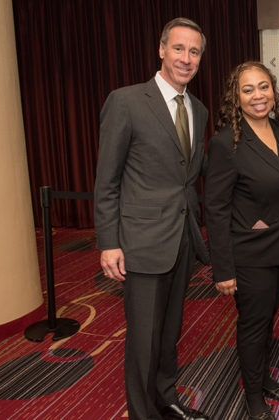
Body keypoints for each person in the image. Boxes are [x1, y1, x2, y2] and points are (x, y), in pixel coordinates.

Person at [94, 18, 210, 420]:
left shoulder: (198, 108)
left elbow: (185, 177)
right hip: (140, 244)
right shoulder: (126, 101)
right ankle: (142, 413)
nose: (186, 58)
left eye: (194, 52)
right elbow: (106, 180)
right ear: (161, 50)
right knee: (142, 340)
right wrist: (109, 242)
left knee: (169, 333)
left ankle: (167, 398)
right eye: (179, 48)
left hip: (181, 240)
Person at [204, 61, 279, 420]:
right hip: (249, 253)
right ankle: (253, 397)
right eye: (247, 90)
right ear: (236, 97)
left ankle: (262, 378)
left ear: (273, 91)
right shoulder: (225, 143)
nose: (257, 96)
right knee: (253, 323)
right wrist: (223, 270)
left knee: (266, 319)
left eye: (263, 87)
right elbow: (215, 208)